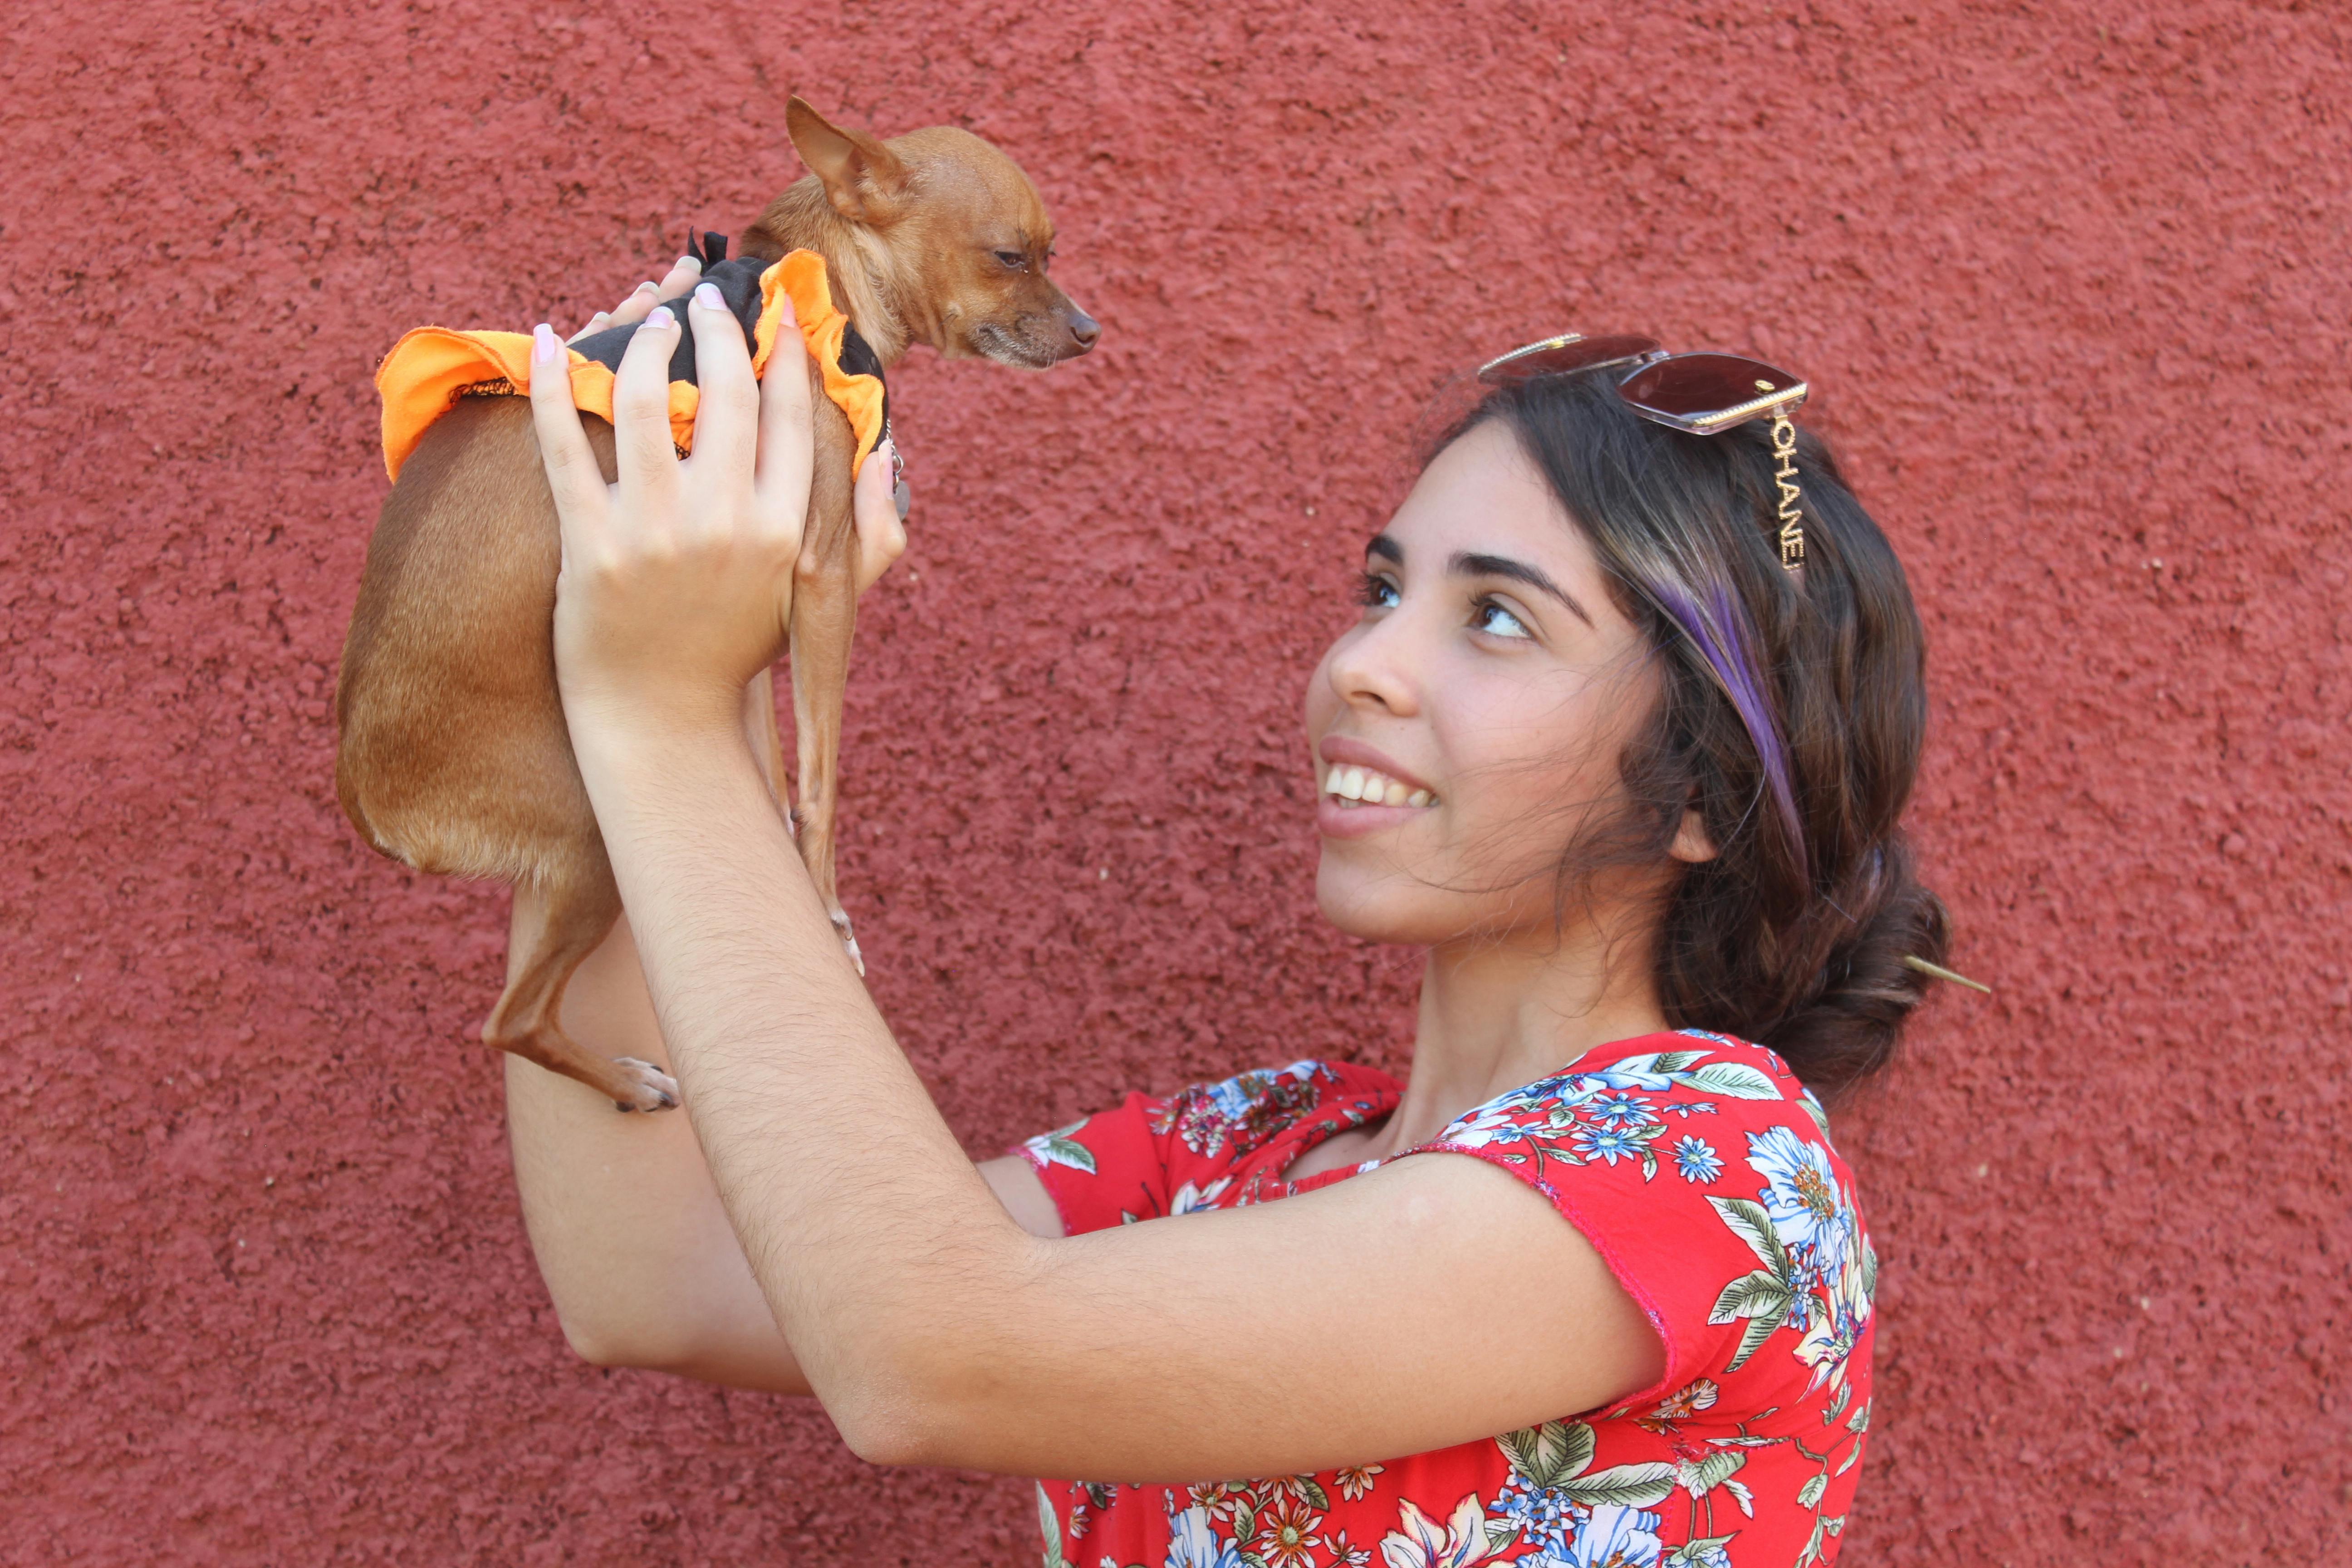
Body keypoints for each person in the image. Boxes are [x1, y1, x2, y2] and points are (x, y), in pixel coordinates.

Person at [506, 255, 1950, 1568]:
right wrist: (593, 613)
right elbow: (659, 1279)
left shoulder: (1713, 1170)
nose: (1364, 664)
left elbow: (930, 1358)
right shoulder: (1245, 1150)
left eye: (1495, 616)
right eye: (1382, 588)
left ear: (1702, 788)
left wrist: (665, 712)